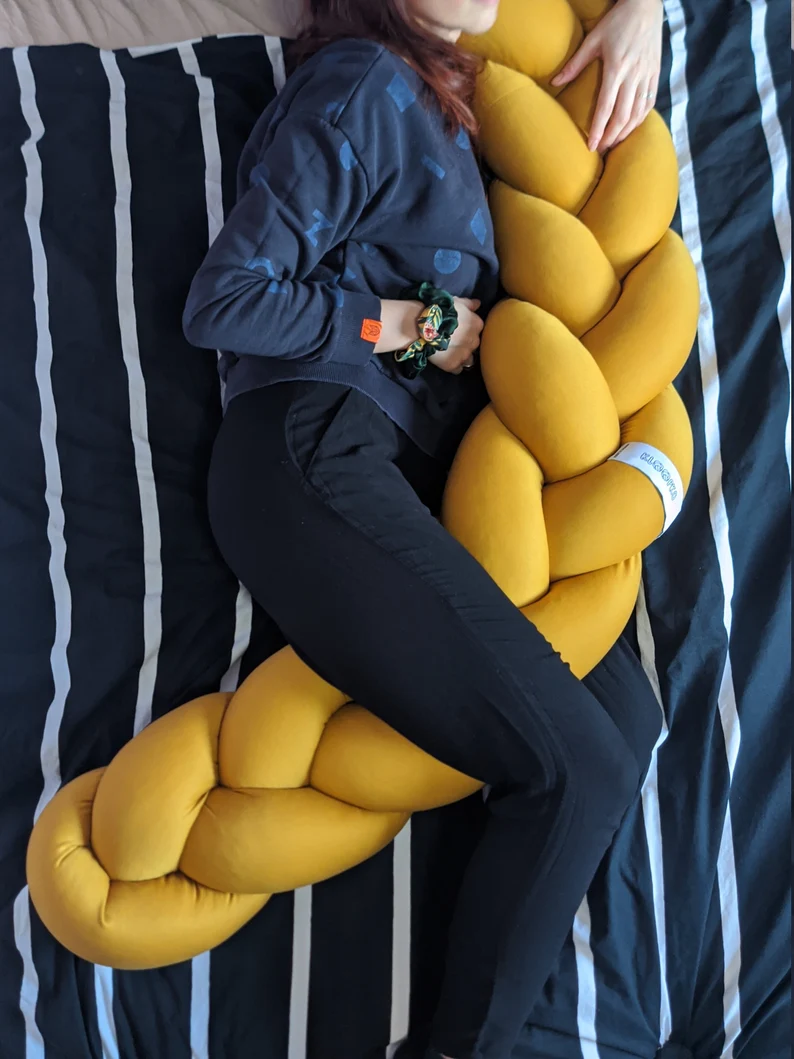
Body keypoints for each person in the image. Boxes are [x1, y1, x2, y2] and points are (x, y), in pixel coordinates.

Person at [183, 1, 665, 1056]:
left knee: (620, 721)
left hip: (405, 483)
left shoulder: (471, 111)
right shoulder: (364, 82)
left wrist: (644, 10)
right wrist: (411, 326)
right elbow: (226, 298)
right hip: (308, 452)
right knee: (575, 763)